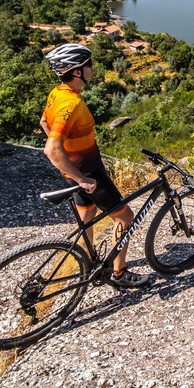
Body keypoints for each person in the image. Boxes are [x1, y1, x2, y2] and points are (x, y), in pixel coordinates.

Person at [40, 43, 149, 288]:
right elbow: (51, 148)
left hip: (73, 169)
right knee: (125, 219)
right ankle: (119, 273)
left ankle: (87, 263)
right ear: (77, 72)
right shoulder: (72, 104)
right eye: (88, 64)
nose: (92, 68)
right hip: (88, 173)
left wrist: (68, 166)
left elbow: (44, 123)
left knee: (87, 216)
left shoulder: (57, 93)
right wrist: (81, 178)